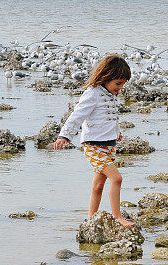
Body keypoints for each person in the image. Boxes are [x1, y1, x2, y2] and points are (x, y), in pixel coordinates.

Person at [53, 54, 134, 226]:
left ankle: (90, 219)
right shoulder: (93, 93)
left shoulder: (111, 93)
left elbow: (109, 117)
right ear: (106, 77)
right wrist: (64, 135)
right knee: (117, 179)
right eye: (118, 84)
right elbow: (77, 115)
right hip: (93, 146)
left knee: (98, 186)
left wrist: (116, 133)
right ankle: (117, 217)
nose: (120, 88)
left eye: (122, 84)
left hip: (109, 145)